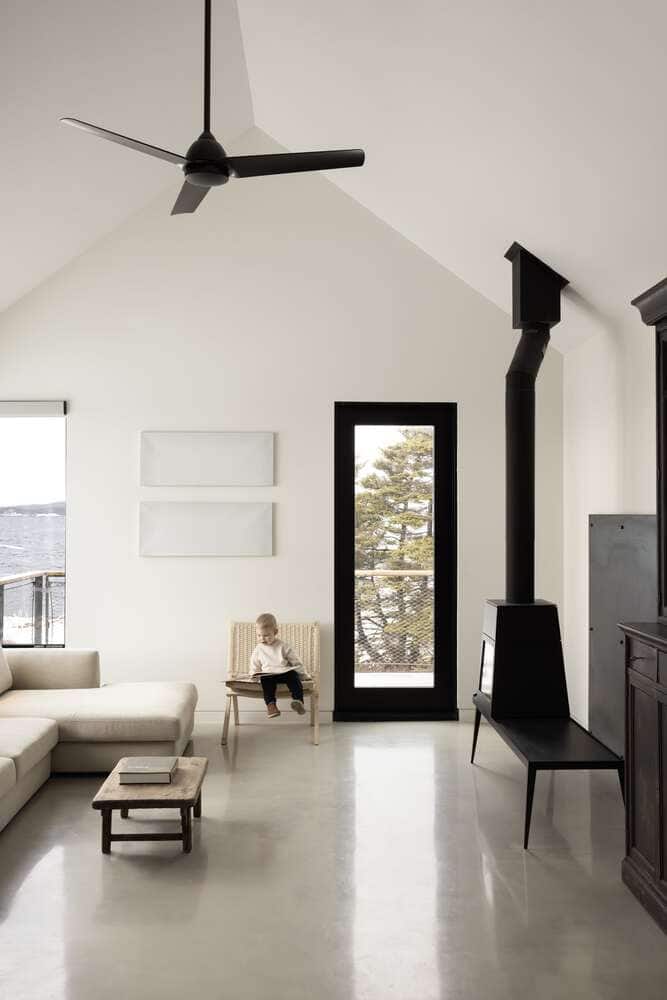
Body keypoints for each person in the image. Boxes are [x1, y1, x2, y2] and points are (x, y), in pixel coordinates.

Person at [251, 613, 308, 718]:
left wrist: (303, 674)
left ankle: (298, 701)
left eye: (266, 635)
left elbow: (295, 661)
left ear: (275, 632)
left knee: (293, 675)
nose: (262, 639)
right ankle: (271, 705)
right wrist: (254, 675)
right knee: (265, 680)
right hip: (268, 674)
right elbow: (254, 663)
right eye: (259, 635)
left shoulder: (283, 646)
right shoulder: (258, 649)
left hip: (283, 673)